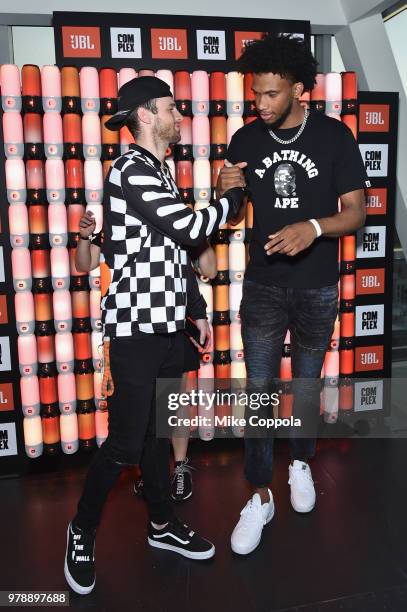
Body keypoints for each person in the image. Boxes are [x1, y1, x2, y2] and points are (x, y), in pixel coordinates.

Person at [64, 76, 245, 595]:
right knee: (124, 443)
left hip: (168, 327)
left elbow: (173, 253)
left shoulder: (159, 169)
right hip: (135, 328)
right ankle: (81, 530)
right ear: (145, 115)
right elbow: (189, 230)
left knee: (159, 436)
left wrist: (195, 308)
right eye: (171, 107)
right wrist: (229, 201)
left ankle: (162, 525)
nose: (179, 114)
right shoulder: (128, 169)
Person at [217, 34, 368, 556]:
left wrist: (313, 226)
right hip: (262, 285)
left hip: (318, 288)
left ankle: (300, 462)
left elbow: (356, 212)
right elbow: (235, 215)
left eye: (271, 94)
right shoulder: (245, 139)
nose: (259, 104)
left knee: (305, 383)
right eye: (255, 93)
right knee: (259, 390)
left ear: (300, 89)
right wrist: (225, 189)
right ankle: (260, 495)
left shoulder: (334, 137)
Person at [75, 210, 217, 501]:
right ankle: (153, 475)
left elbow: (210, 269)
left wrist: (198, 229)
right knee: (143, 410)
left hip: (172, 327)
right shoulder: (115, 232)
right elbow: (85, 263)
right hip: (131, 332)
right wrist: (85, 236)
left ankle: (178, 468)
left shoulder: (177, 228)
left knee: (172, 401)